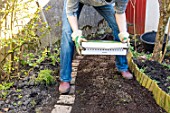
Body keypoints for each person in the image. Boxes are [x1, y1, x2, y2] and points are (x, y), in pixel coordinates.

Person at [59, 0, 133, 94]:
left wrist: (123, 34)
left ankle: (122, 66)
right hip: (75, 3)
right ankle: (65, 78)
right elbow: (71, 12)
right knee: (67, 33)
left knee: (118, 27)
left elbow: (120, 12)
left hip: (101, 2)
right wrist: (77, 34)